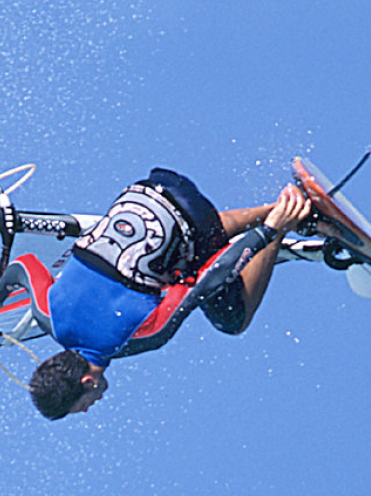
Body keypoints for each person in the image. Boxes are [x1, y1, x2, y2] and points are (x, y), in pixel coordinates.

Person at [27, 169, 313, 420]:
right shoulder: (46, 314)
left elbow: (207, 281)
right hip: (149, 189)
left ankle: (287, 218)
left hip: (192, 217)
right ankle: (280, 205)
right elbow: (24, 264)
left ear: (87, 382)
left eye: (82, 407)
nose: (89, 408)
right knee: (174, 255)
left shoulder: (140, 336)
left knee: (231, 320)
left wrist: (267, 232)